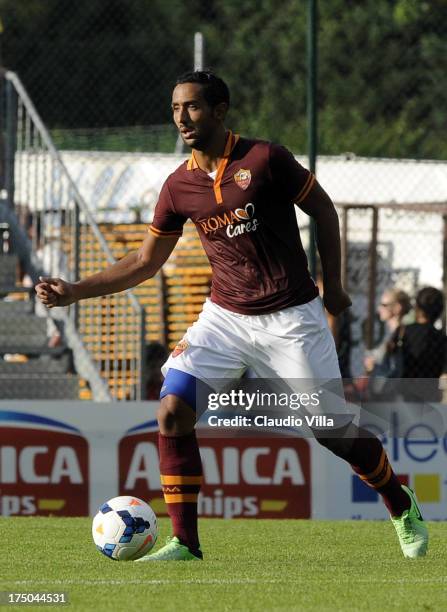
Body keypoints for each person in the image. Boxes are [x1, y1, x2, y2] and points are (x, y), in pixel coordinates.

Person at [35, 70, 428, 561]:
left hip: (292, 318)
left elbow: (324, 211)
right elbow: (144, 261)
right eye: (176, 108)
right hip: (225, 318)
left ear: (220, 111)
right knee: (173, 411)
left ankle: (399, 499)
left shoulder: (265, 159)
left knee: (330, 430)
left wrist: (337, 288)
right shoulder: (178, 186)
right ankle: (185, 543)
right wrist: (75, 291)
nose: (183, 118)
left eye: (193, 107)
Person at [389, 287, 447, 402]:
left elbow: (390, 357)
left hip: (403, 394)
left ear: (417, 307)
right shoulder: (442, 339)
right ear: (439, 310)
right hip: (430, 396)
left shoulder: (402, 332)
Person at [364, 288, 411, 376]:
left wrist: (374, 367)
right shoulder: (391, 333)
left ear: (397, 307)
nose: (379, 309)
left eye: (384, 305)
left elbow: (395, 370)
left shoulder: (399, 336)